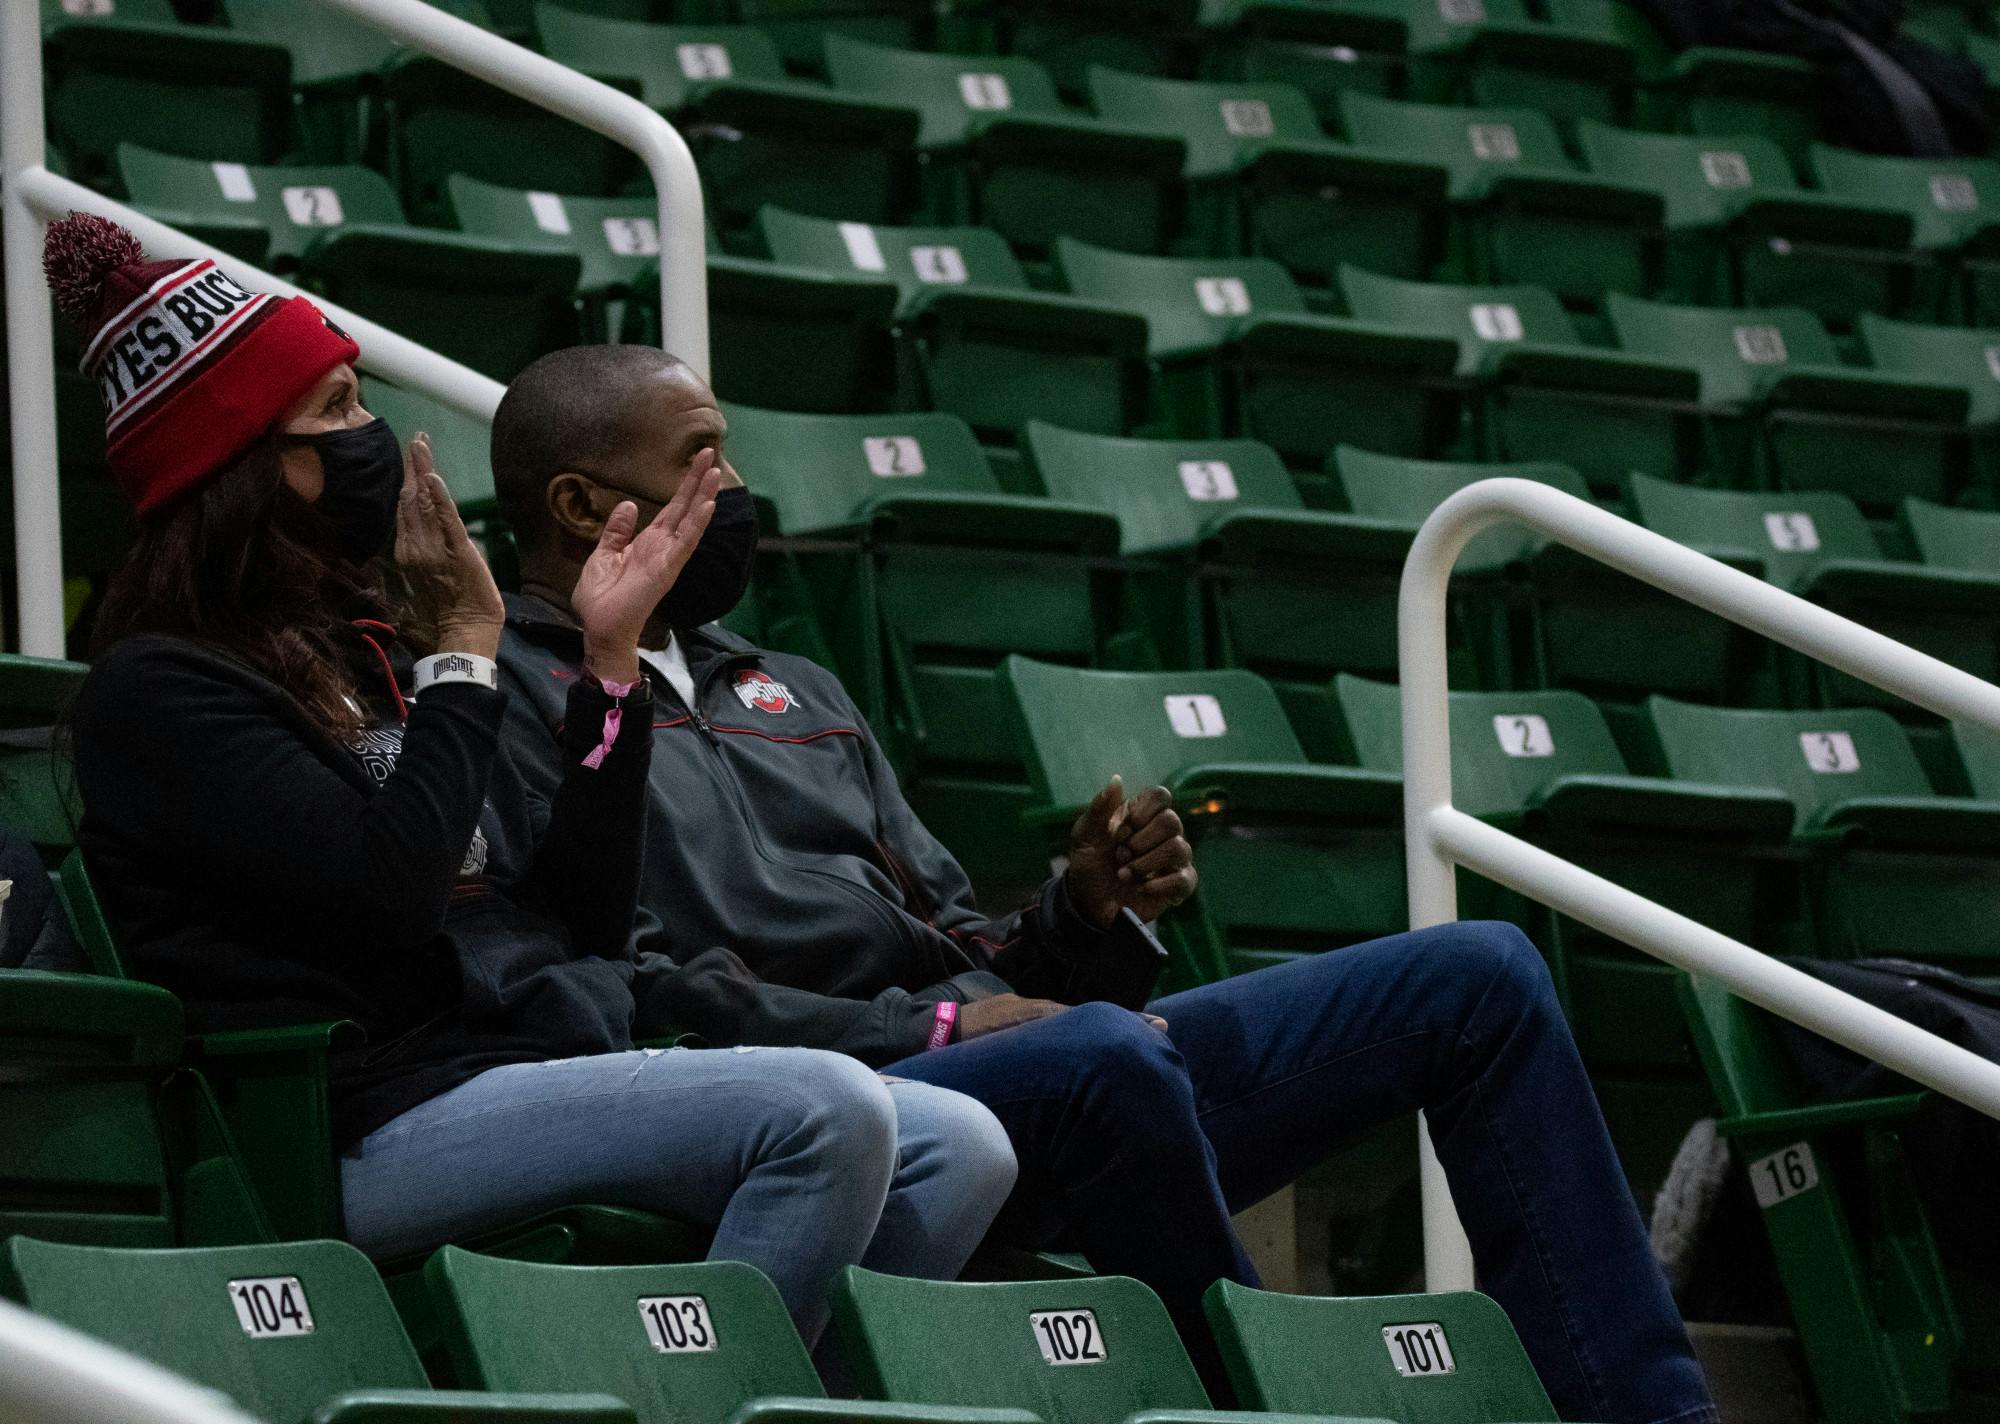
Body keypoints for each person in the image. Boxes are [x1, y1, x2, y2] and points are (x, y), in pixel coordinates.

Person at [493, 344, 1719, 1424]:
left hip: (1012, 1070)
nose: (735, 492)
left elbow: (962, 940)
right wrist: (929, 1025)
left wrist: (1080, 913)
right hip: (818, 1104)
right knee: (1100, 1057)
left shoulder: (794, 686)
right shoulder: (509, 698)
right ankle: (1266, 1404)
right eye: (702, 459)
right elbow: (626, 986)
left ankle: (1642, 1410)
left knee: (1477, 975)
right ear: (580, 500)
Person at [51, 216, 1015, 1345]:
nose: (377, 434)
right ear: (250, 467)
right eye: (338, 411)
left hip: (516, 1065)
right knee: (824, 1107)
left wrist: (609, 667)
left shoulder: (358, 653)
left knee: (962, 1147)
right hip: (351, 1115)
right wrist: (461, 653)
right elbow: (389, 895)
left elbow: (583, 909)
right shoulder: (163, 691)